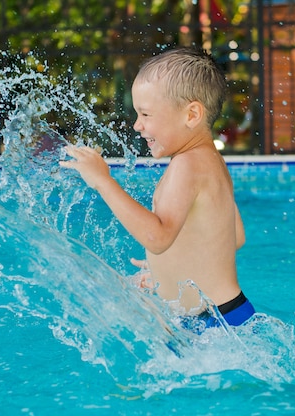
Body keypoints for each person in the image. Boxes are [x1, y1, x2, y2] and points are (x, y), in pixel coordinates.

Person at [60, 47, 254, 333]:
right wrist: (169, 272)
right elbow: (234, 236)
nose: (138, 125)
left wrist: (103, 181)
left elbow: (157, 237)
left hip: (213, 324)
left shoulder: (187, 165)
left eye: (146, 114)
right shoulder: (211, 161)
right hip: (227, 315)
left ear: (191, 115)